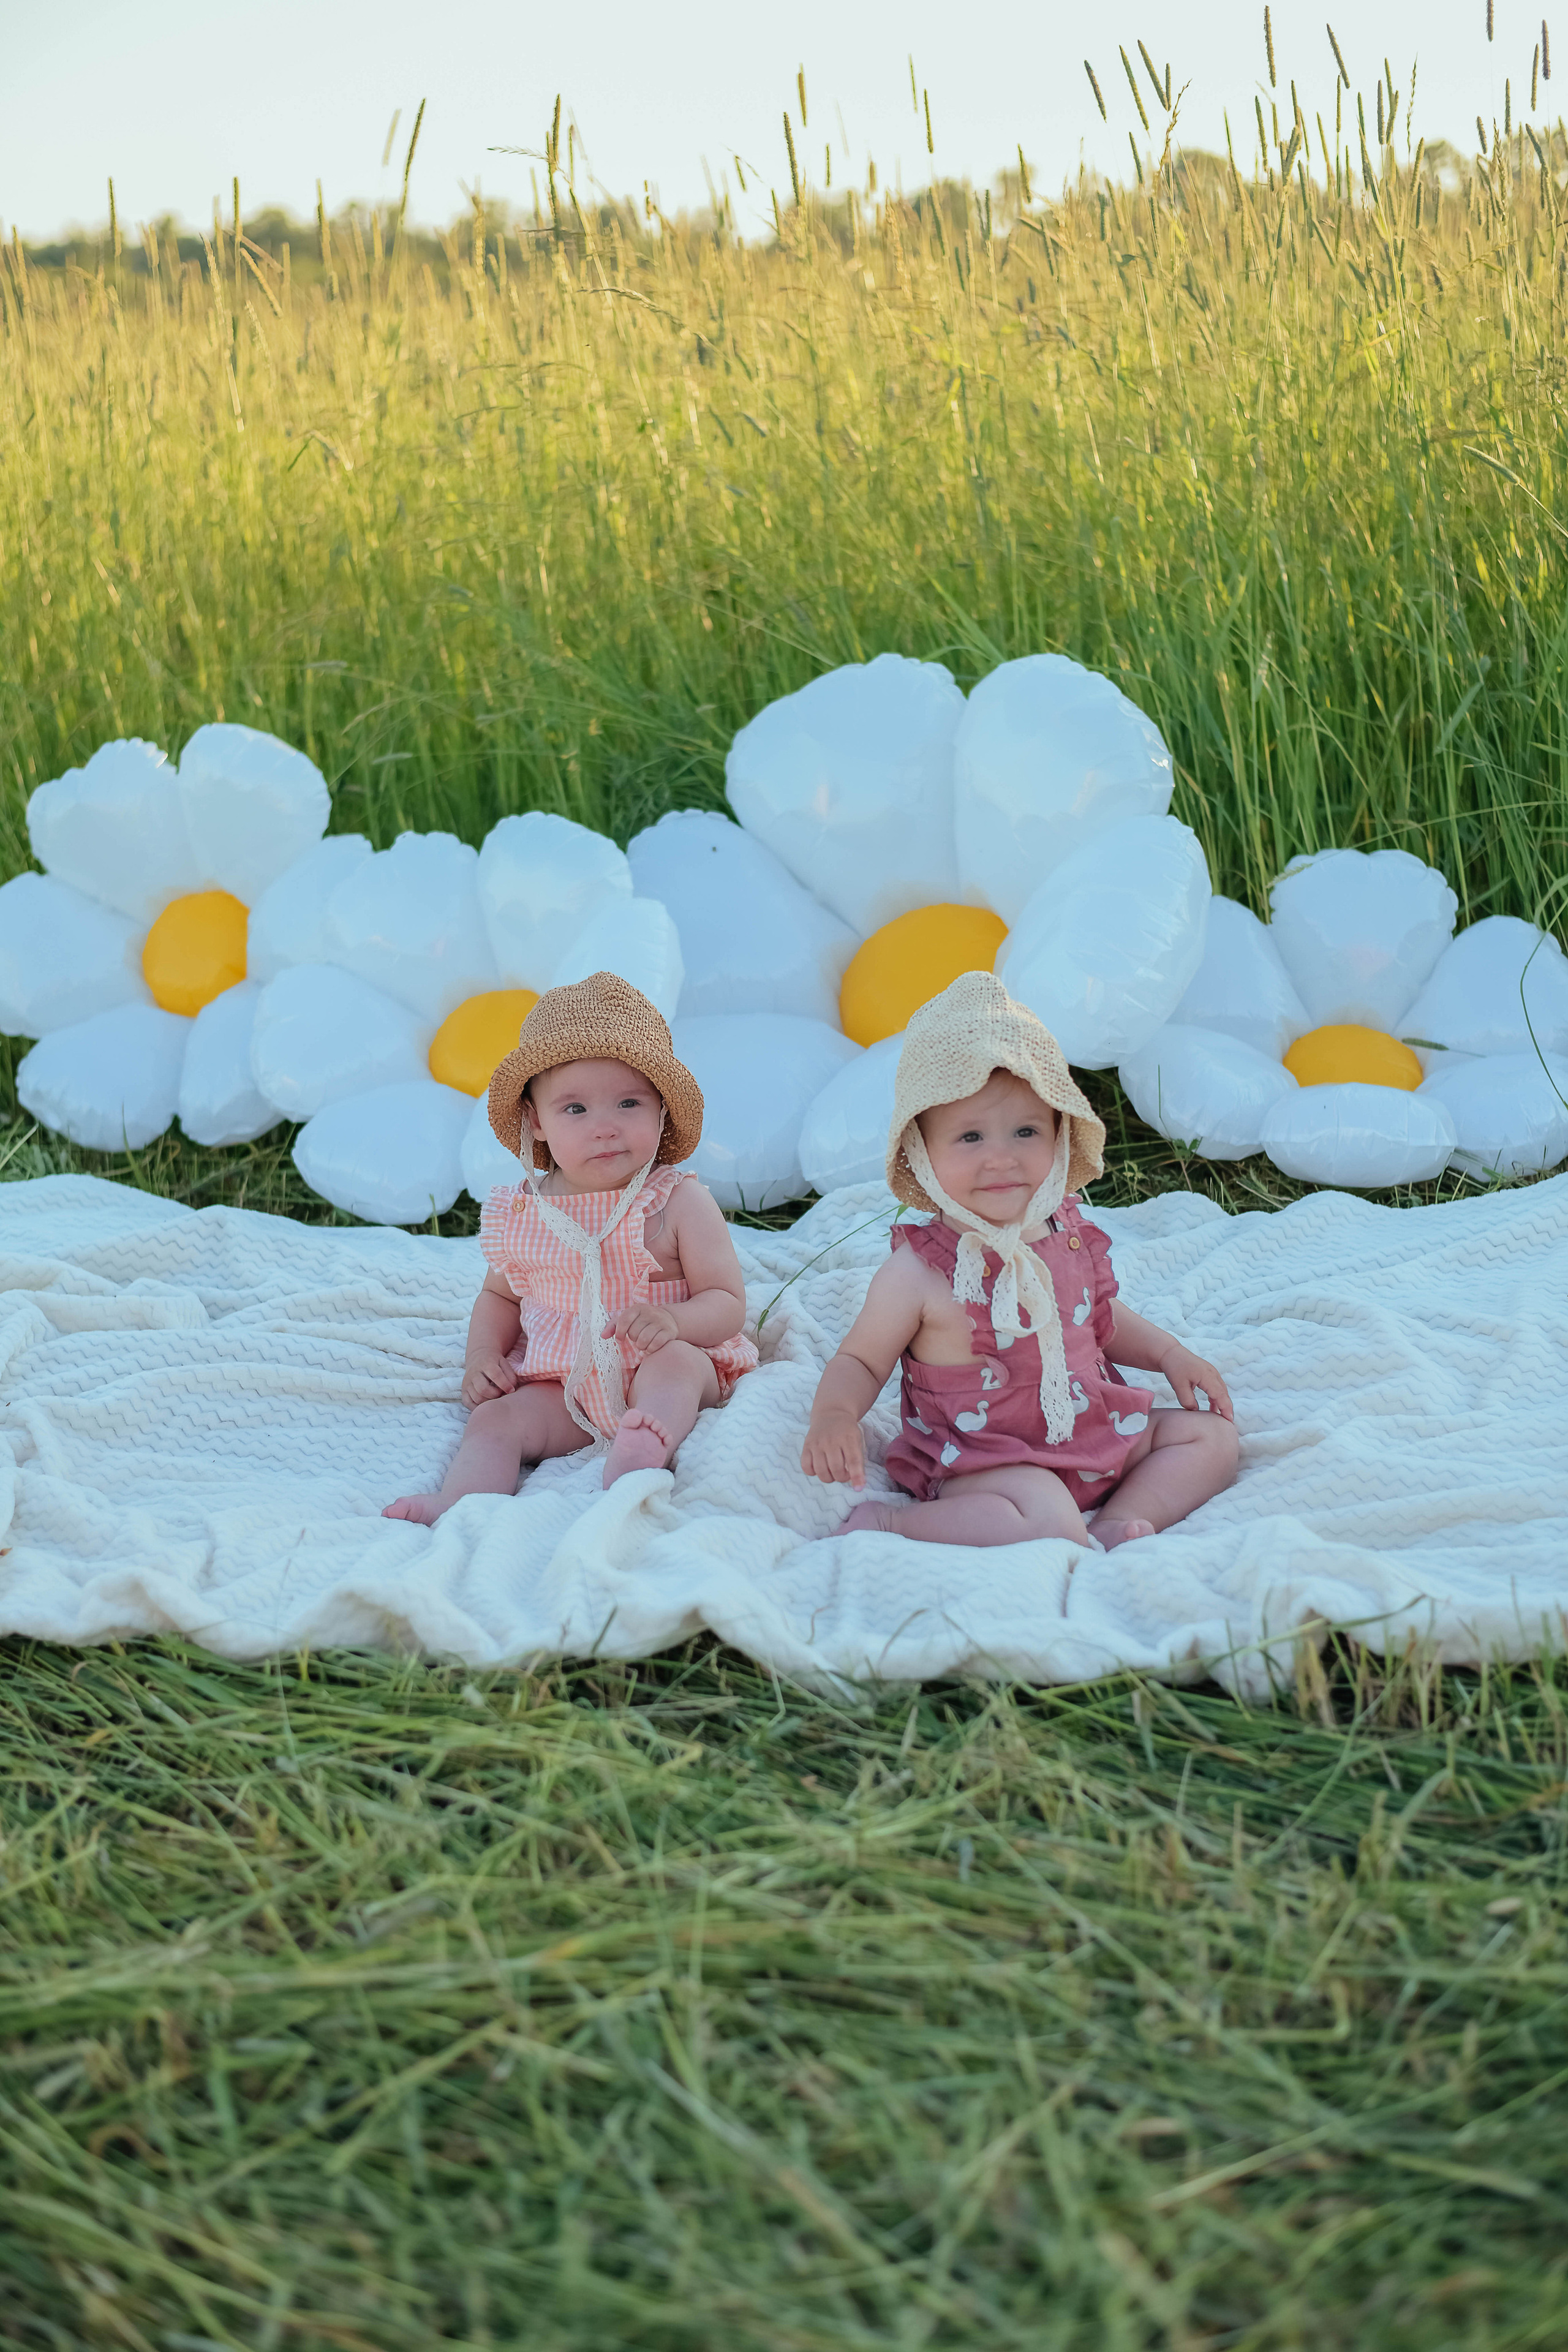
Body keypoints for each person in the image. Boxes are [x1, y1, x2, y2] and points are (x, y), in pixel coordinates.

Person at [801, 971, 1237, 1551]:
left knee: (1212, 1439)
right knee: (1045, 1517)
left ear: (1059, 1139)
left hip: (1090, 1428)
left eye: (1026, 1131)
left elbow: (1096, 1318)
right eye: (971, 1138)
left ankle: (1120, 1521)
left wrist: (1169, 1354)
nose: (1001, 1158)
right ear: (921, 1153)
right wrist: (834, 1415)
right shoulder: (921, 1272)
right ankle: (892, 1523)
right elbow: (860, 1358)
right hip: (988, 1460)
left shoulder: (1064, 1232)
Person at [385, 972, 756, 1523]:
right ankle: (461, 1502)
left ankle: (643, 1447)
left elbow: (727, 1302)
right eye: (575, 1110)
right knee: (494, 1421)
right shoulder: (527, 1211)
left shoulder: (676, 1201)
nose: (605, 1128)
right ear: (536, 1122)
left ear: (661, 1111)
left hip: (666, 1360)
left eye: (628, 1103)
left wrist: (675, 1321)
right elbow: (501, 1299)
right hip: (567, 1384)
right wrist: (483, 1357)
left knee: (675, 1367)